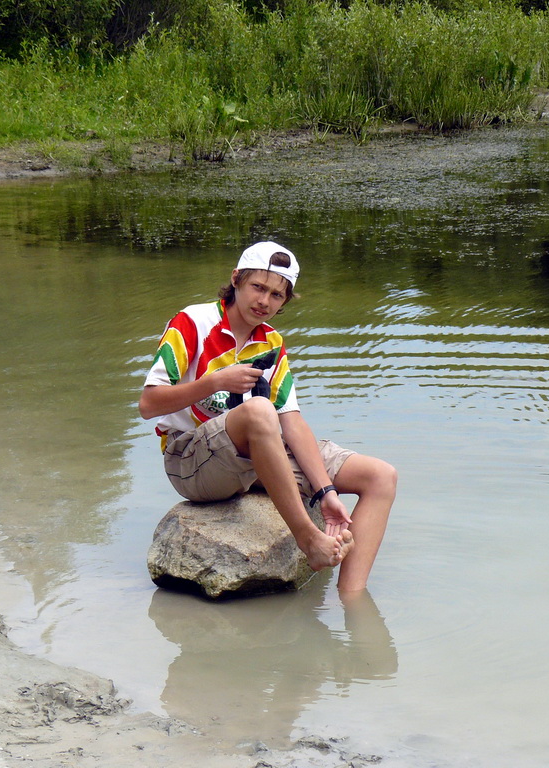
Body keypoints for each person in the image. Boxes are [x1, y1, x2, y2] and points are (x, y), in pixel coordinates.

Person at [138, 241, 396, 592]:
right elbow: (148, 404)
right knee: (260, 411)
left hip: (252, 453)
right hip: (190, 459)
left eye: (277, 295)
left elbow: (292, 421)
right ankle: (309, 540)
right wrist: (215, 382)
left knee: (380, 476)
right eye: (258, 287)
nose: (264, 301)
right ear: (236, 280)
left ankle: (352, 598)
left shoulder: (271, 342)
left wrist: (326, 492)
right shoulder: (192, 323)